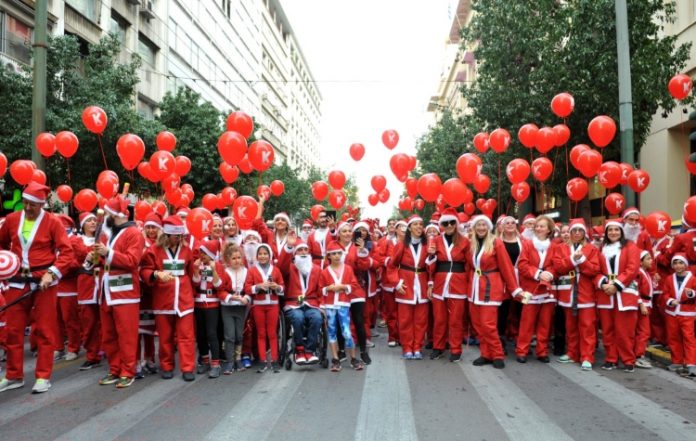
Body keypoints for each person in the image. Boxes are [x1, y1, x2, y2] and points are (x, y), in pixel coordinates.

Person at [0, 183, 74, 394]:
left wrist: (52, 273)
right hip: (17, 280)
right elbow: (2, 244)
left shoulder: (53, 222)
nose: (27, 207)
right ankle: (13, 375)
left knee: (45, 329)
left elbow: (67, 253)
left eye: (32, 204)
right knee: (13, 330)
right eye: (25, 203)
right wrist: (6, 263)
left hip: (44, 282)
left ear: (42, 204)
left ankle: (43, 376)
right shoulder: (12, 219)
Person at [466, 215, 528, 369]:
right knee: (478, 325)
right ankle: (486, 354)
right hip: (474, 288)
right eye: (478, 225)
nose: (481, 228)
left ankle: (498, 354)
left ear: (488, 227)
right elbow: (469, 267)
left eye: (484, 225)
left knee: (488, 325)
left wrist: (515, 289)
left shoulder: (496, 242)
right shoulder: (471, 243)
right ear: (474, 228)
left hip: (490, 288)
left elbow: (506, 267)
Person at [141, 215, 197, 382]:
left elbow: (190, 272)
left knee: (186, 336)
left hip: (184, 299)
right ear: (166, 235)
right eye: (175, 236)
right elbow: (144, 270)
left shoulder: (186, 250)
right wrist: (156, 274)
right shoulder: (154, 250)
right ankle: (166, 365)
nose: (178, 239)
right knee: (165, 336)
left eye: (180, 236)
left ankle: (188, 368)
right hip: (163, 299)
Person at [552, 219, 600, 371]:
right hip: (568, 292)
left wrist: (582, 261)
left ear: (584, 233)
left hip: (586, 292)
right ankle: (572, 353)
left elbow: (595, 269)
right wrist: (573, 259)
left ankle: (587, 356)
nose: (577, 233)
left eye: (580, 230)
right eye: (574, 230)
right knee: (570, 326)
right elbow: (558, 267)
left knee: (587, 326)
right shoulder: (561, 248)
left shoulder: (592, 249)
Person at [595, 219, 640, 372]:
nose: (613, 232)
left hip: (624, 293)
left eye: (616, 229)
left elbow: (632, 269)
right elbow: (596, 270)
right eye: (610, 230)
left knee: (624, 330)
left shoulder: (631, 246)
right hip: (605, 293)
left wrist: (616, 285)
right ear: (606, 233)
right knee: (607, 329)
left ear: (621, 231)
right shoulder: (601, 248)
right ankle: (611, 358)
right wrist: (603, 283)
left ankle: (628, 359)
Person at [426, 208, 468, 362]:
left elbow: (469, 264)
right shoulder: (436, 240)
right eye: (445, 223)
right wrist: (430, 282)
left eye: (452, 222)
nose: (449, 225)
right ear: (441, 225)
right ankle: (438, 347)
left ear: (456, 224)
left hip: (459, 282)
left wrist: (469, 284)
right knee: (439, 318)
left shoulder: (465, 241)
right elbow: (430, 265)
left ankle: (456, 349)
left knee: (456, 319)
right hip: (440, 282)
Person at [516, 215, 559, 364]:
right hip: (530, 289)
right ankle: (522, 350)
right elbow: (522, 265)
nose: (538, 228)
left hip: (547, 289)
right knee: (526, 322)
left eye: (542, 226)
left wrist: (550, 274)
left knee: (545, 323)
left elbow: (556, 265)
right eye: (537, 226)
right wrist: (539, 273)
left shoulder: (554, 246)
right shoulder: (527, 244)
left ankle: (542, 351)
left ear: (549, 230)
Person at [388, 215, 432, 360]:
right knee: (405, 320)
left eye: (421, 224)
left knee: (421, 320)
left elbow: (432, 268)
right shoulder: (401, 245)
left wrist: (430, 283)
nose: (419, 227)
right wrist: (396, 283)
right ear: (410, 228)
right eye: (415, 224)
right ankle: (407, 347)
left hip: (422, 286)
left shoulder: (427, 245)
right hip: (405, 286)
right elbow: (392, 266)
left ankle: (417, 347)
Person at [279, 235, 323, 365]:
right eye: (300, 250)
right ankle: (299, 349)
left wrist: (322, 305)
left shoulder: (317, 269)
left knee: (317, 318)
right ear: (294, 254)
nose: (303, 252)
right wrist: (289, 246)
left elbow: (321, 289)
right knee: (298, 318)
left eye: (305, 250)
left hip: (311, 303)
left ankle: (310, 350)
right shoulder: (289, 267)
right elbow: (280, 266)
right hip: (293, 304)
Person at [320, 241, 364, 372]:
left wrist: (343, 286)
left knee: (347, 332)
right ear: (329, 256)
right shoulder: (325, 271)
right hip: (330, 305)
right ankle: (335, 359)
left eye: (339, 253)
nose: (336, 256)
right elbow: (320, 289)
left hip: (343, 304)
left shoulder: (348, 269)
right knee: (332, 331)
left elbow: (354, 285)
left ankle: (353, 358)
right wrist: (329, 288)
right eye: (333, 254)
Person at [245, 243, 285, 373]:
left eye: (265, 254)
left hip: (273, 304)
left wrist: (277, 287)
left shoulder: (276, 270)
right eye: (260, 254)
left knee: (272, 333)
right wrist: (258, 286)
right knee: (261, 333)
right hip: (259, 305)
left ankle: (275, 360)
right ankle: (262, 361)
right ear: (256, 256)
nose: (263, 256)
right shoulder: (252, 270)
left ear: (270, 255)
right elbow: (247, 288)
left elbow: (282, 287)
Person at [73, 212, 102, 371]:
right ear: (82, 224)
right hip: (86, 283)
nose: (92, 222)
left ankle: (107, 350)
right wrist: (87, 260)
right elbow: (72, 261)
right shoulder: (76, 241)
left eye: (94, 220)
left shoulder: (104, 239)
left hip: (103, 282)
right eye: (89, 220)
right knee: (89, 321)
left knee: (106, 320)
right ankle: (92, 355)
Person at [192, 240, 224, 378]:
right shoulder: (198, 264)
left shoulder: (217, 265)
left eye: (204, 253)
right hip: (199, 302)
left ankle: (216, 364)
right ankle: (205, 361)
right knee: (201, 334)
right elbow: (195, 283)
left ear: (210, 254)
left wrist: (214, 270)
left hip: (212, 304)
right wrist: (195, 270)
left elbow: (219, 285)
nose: (202, 255)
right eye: (201, 253)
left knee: (212, 333)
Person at [218, 244, 251, 374]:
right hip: (227, 307)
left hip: (241, 307)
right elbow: (220, 291)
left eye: (238, 257)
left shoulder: (246, 272)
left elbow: (249, 288)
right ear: (228, 260)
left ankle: (238, 359)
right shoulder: (225, 272)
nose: (237, 261)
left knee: (239, 334)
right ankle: (230, 361)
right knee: (230, 335)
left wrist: (246, 298)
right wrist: (230, 297)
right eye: (233, 258)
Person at [663, 253, 696, 376]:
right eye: (675, 263)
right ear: (672, 265)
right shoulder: (669, 279)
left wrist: (691, 293)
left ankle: (691, 363)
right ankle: (677, 361)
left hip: (687, 313)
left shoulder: (693, 279)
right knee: (673, 337)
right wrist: (670, 301)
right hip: (672, 313)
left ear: (685, 264)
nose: (678, 266)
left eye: (681, 263)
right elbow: (665, 294)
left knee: (689, 338)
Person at [54, 214, 81, 362]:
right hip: (54, 287)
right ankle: (58, 347)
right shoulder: (53, 242)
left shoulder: (74, 241)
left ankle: (73, 348)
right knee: (55, 320)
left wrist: (58, 267)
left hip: (69, 287)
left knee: (70, 319)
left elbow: (78, 263)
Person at [635, 250, 655, 369]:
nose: (651, 261)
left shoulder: (645, 273)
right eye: (648, 259)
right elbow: (636, 289)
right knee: (644, 331)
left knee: (643, 331)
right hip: (643, 304)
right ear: (641, 262)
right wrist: (641, 304)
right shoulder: (639, 273)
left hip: (647, 304)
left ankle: (638, 354)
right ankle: (638, 356)